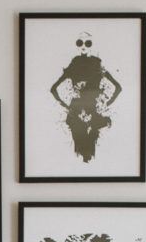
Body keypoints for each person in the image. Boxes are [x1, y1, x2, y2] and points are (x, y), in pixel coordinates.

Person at [50, 31, 123, 164]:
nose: (83, 46)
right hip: (80, 112)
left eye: (88, 43)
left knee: (87, 147)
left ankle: (86, 160)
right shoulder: (76, 64)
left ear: (92, 45)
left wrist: (106, 103)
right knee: (83, 148)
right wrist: (65, 105)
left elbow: (118, 88)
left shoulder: (97, 64)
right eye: (80, 43)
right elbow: (53, 89)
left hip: (86, 111)